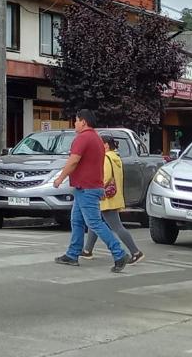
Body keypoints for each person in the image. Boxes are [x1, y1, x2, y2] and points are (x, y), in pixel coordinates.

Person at [53, 110, 128, 272]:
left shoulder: (83, 138)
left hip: (86, 188)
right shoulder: (96, 138)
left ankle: (119, 253)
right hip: (88, 187)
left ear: (84, 122)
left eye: (76, 120)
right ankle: (72, 254)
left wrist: (60, 178)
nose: (75, 123)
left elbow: (73, 161)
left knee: (94, 223)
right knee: (77, 221)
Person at [81, 136, 145, 264]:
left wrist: (93, 188)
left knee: (117, 227)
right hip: (114, 196)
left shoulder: (105, 158)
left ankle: (136, 252)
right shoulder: (116, 158)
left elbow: (104, 178)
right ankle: (87, 250)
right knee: (94, 222)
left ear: (105, 145)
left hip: (106, 198)